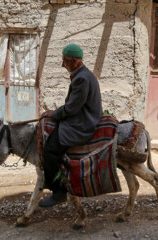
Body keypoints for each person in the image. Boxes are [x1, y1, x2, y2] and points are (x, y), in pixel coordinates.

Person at [39, 43, 103, 207]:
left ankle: (59, 192)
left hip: (83, 122)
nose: (63, 65)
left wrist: (53, 113)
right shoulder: (83, 74)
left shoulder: (82, 78)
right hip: (81, 116)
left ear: (75, 61)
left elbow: (72, 108)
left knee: (50, 150)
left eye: (65, 61)